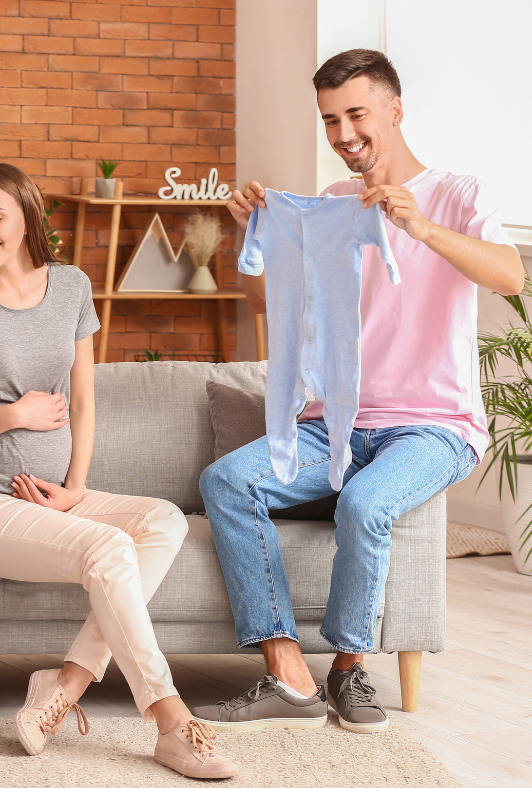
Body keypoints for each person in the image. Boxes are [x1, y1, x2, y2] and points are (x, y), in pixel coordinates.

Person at [194, 49, 523, 734]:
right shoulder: (332, 206)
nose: (343, 133)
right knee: (229, 481)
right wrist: (247, 232)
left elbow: (509, 277)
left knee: (368, 502)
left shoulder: (460, 194)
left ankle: (347, 672)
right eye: (329, 119)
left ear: (395, 110)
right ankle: (285, 669)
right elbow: (267, 300)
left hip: (432, 426)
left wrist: (421, 228)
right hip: (333, 420)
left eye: (356, 113)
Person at [0, 163, 238, 779]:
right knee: (108, 547)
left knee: (163, 520)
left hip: (54, 497)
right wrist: (10, 413)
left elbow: (84, 399)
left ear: (27, 216)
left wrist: (75, 489)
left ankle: (65, 683)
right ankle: (170, 719)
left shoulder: (71, 286)